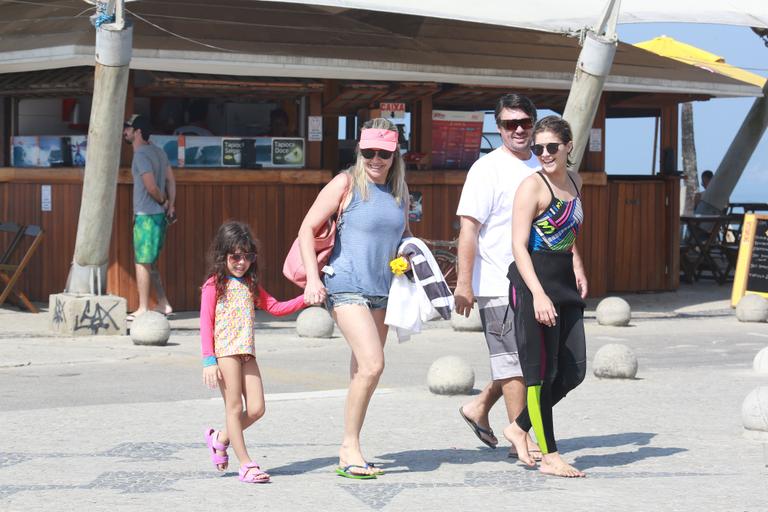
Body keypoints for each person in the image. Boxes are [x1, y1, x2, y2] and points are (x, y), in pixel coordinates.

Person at [298, 118, 411, 479]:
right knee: (374, 365)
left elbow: (404, 234)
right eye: (369, 152)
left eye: (384, 153)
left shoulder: (400, 192)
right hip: (345, 285)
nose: (376, 159)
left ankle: (352, 445)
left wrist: (406, 258)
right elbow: (306, 229)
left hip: (383, 289)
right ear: (359, 151)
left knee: (363, 372)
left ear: (395, 155)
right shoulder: (345, 183)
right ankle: (348, 447)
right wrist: (313, 279)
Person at [454, 94, 542, 458]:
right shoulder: (486, 169)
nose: (518, 129)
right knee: (513, 361)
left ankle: (479, 407)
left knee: (533, 359)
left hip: (538, 281)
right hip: (497, 281)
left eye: (524, 122)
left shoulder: (542, 163)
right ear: (499, 127)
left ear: (534, 123)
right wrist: (463, 283)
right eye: (510, 124)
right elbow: (469, 228)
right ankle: (519, 438)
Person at [505, 115, 588, 478]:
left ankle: (518, 425)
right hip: (533, 284)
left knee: (573, 371)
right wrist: (538, 294)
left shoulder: (575, 180)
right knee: (542, 373)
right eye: (538, 148)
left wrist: (578, 263)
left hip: (564, 283)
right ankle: (550, 455)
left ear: (568, 146)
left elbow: (568, 231)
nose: (544, 154)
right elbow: (518, 246)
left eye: (552, 147)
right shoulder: (532, 187)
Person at [201, 221, 306, 484]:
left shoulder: (250, 285)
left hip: (247, 353)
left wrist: (307, 298)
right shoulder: (213, 285)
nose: (241, 262)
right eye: (235, 256)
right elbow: (205, 323)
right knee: (234, 408)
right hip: (225, 353)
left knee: (257, 408)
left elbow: (276, 307)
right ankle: (246, 465)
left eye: (247, 256)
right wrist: (208, 361)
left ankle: (220, 439)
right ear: (222, 255)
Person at [123, 114, 176, 319]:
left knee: (142, 262)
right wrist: (170, 205)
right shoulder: (159, 152)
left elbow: (151, 186)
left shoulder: (141, 155)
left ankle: (143, 308)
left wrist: (163, 202)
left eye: (128, 128)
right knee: (151, 262)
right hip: (159, 216)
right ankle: (163, 303)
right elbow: (171, 180)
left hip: (147, 216)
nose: (125, 132)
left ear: (137, 132)